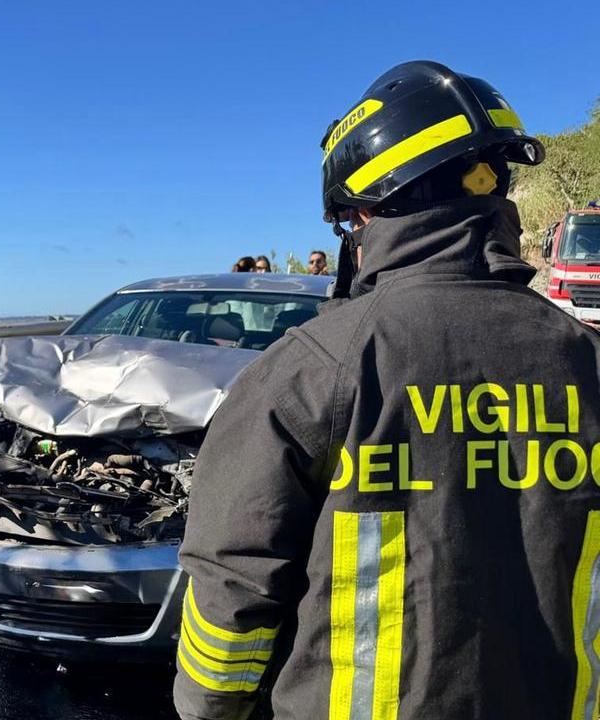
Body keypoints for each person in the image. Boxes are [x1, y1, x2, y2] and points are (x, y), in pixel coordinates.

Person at [173, 60, 599, 720]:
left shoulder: (306, 372)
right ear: (494, 191)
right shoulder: (589, 361)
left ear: (369, 212)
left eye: (346, 224)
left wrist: (213, 710)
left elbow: (232, 591)